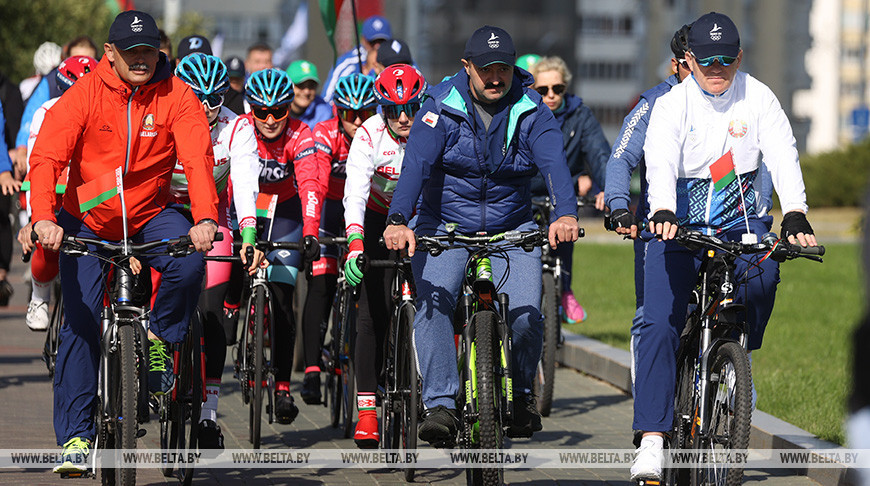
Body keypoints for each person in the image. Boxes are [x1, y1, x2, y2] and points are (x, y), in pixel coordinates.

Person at [629, 12, 819, 482]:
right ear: (687, 60)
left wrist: (794, 210)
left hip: (741, 225)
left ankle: (733, 353)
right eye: (705, 61)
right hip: (680, 226)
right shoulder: (673, 104)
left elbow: (782, 150)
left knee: (767, 276)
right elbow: (659, 159)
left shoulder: (759, 97)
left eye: (726, 61)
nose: (716, 70)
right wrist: (664, 210)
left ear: (739, 56)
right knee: (658, 324)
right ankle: (652, 440)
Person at [27, 11, 219, 473]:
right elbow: (47, 157)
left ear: (160, 52)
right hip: (88, 219)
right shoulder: (83, 95)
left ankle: (159, 339)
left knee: (192, 265)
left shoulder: (178, 95)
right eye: (130, 51)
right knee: (80, 321)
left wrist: (206, 217)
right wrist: (43, 219)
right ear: (108, 54)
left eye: (148, 50)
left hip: (151, 214)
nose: (141, 59)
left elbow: (196, 159)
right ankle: (76, 438)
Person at [383, 25, 580, 445]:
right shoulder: (440, 105)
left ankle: (523, 396)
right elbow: (416, 163)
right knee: (434, 310)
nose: (495, 78)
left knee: (527, 317)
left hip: (514, 229)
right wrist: (399, 218)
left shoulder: (532, 108)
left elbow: (554, 163)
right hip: (445, 228)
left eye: (503, 69)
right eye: (486, 69)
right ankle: (440, 403)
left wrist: (565, 213)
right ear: (467, 67)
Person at [172, 52, 263, 449]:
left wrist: (248, 234)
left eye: (215, 99)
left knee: (211, 317)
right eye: (197, 98)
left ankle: (208, 413)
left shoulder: (235, 126)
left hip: (215, 222)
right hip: (163, 215)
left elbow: (245, 182)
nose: (207, 109)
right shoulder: (163, 117)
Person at [237, 68, 327, 424]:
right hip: (245, 207)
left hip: (286, 212)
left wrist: (310, 231)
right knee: (230, 271)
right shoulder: (242, 129)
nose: (271, 119)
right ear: (252, 109)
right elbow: (232, 185)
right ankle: (234, 304)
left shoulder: (300, 133)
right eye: (262, 111)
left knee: (283, 295)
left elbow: (310, 185)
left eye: (279, 110)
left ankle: (283, 387)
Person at [342, 65, 426, 448]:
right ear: (382, 109)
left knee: (440, 297)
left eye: (410, 106)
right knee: (371, 311)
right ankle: (367, 411)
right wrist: (356, 243)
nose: (404, 117)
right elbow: (355, 192)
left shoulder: (432, 126)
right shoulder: (369, 134)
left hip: (422, 216)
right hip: (376, 218)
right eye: (394, 110)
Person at [299, 73, 378, 405]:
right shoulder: (325, 133)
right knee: (321, 284)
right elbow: (314, 184)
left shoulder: (376, 135)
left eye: (365, 113)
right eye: (350, 114)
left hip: (363, 216)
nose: (358, 121)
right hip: (330, 215)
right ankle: (312, 369)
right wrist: (311, 232)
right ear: (338, 112)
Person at [528, 55, 610, 324]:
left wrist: (608, 190)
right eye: (543, 90)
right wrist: (577, 182)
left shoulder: (579, 114)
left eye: (558, 89)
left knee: (566, 226)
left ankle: (565, 290)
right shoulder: (525, 114)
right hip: (526, 192)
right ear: (533, 90)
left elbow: (599, 154)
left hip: (561, 195)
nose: (551, 95)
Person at [21, 55, 99, 331]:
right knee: (48, 244)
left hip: (92, 192)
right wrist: (35, 218)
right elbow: (36, 164)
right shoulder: (46, 111)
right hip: (53, 190)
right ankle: (39, 296)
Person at [321, 15, 391, 102]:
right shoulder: (348, 64)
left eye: (382, 41)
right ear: (363, 40)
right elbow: (327, 99)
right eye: (372, 42)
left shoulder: (397, 59)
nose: (377, 46)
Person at [286, 59, 333, 128]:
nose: (306, 92)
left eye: (311, 86)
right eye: (300, 85)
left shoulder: (324, 113)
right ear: (287, 86)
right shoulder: (276, 110)